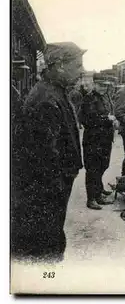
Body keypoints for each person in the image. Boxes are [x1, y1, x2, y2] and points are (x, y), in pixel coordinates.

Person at [11, 42, 85, 263]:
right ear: (60, 65)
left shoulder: (53, 92)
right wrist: (58, 185)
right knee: (45, 243)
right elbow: (43, 157)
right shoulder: (46, 99)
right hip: (47, 190)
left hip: (52, 187)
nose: (81, 71)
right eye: (77, 65)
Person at [80, 74, 119, 210]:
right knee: (93, 169)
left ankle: (99, 190)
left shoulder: (105, 97)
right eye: (101, 85)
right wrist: (107, 120)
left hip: (105, 139)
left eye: (106, 85)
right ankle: (92, 198)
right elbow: (87, 121)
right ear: (94, 84)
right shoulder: (89, 99)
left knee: (103, 165)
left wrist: (114, 121)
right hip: (93, 140)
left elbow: (110, 113)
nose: (104, 88)